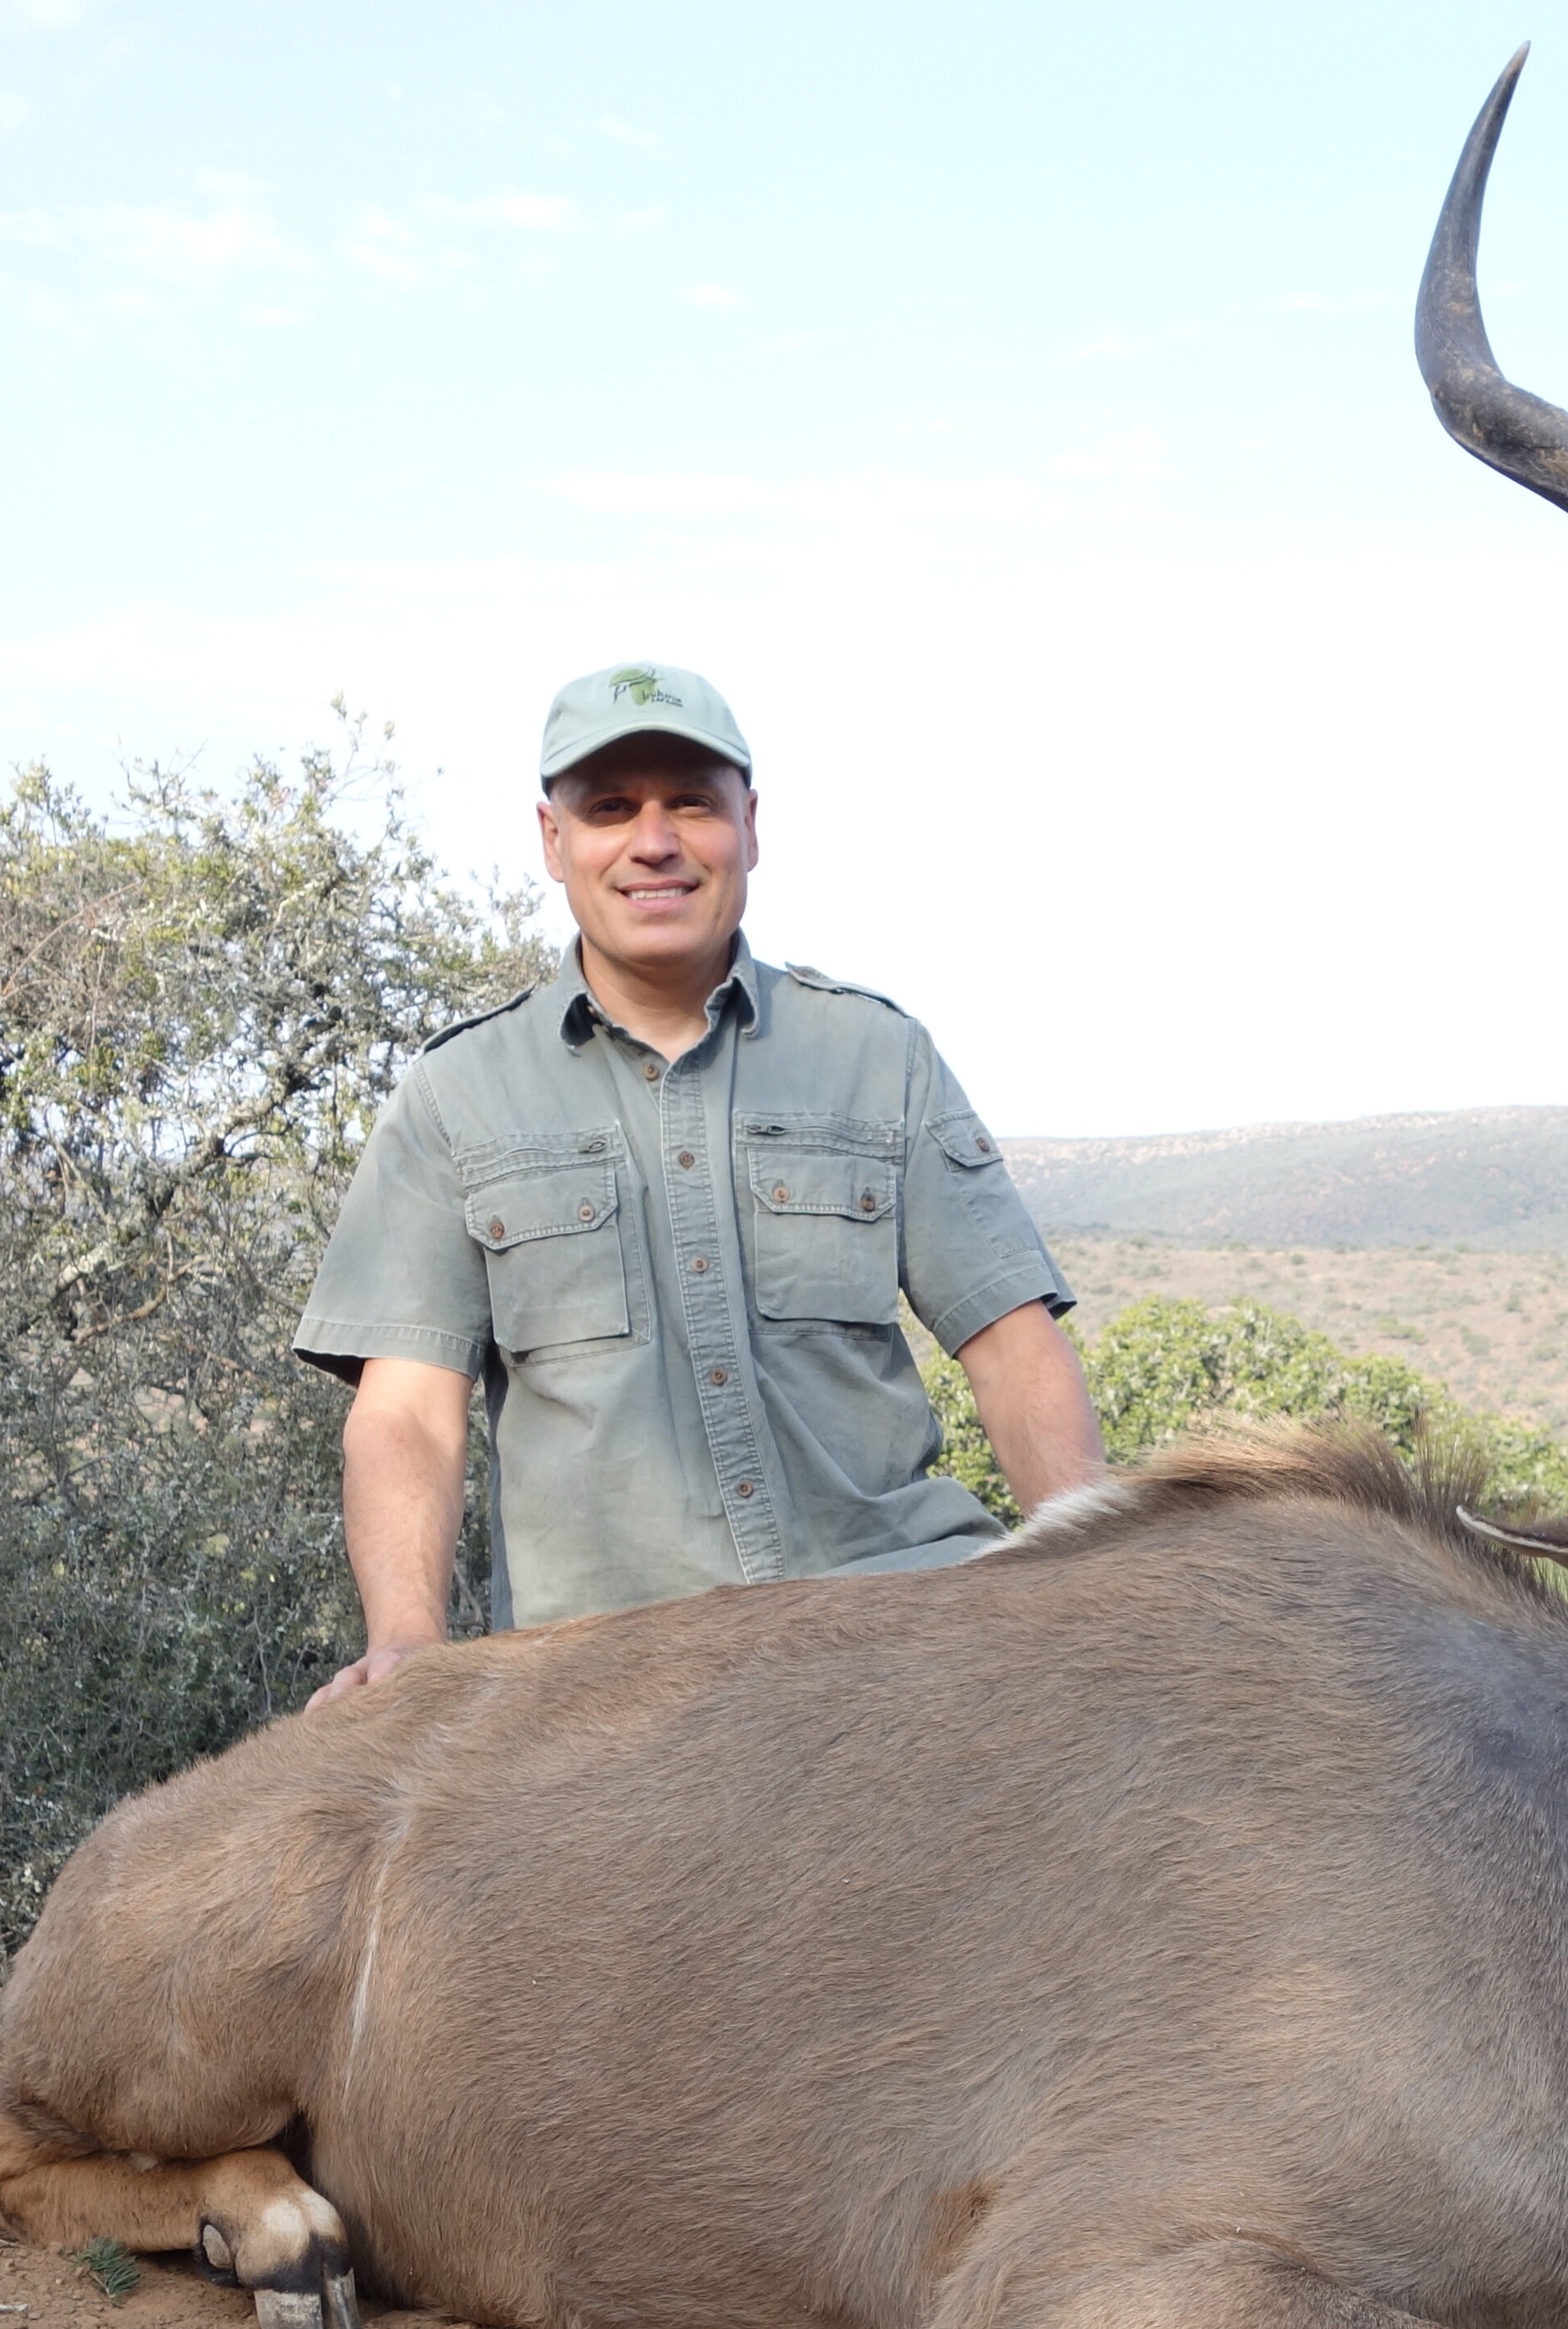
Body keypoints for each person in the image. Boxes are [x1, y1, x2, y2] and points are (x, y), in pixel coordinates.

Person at [292, 663, 1103, 1704]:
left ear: (750, 827)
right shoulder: (456, 1096)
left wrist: (1094, 1580)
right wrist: (406, 1640)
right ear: (554, 841)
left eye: (691, 803)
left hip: (902, 1631)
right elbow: (408, 1410)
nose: (655, 842)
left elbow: (1011, 1344)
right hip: (605, 1677)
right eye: (611, 809)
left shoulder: (876, 1054)